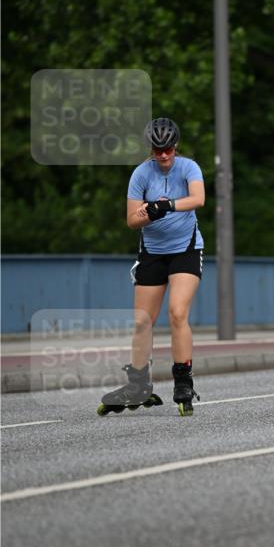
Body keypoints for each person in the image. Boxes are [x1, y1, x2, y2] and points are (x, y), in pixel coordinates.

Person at [97, 117, 206, 416]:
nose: (163, 155)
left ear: (176, 146)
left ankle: (183, 382)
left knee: (177, 313)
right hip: (153, 252)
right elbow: (132, 220)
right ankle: (138, 384)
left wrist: (167, 205)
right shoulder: (141, 174)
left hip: (185, 249)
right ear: (151, 149)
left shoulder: (188, 167)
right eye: (158, 149)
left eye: (168, 148)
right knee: (143, 320)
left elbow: (199, 199)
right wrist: (149, 215)